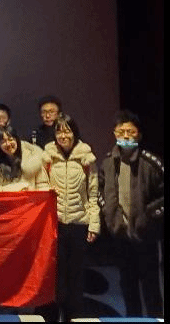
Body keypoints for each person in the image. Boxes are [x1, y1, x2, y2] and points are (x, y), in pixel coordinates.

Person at [99, 110, 164, 318]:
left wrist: (149, 216)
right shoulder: (108, 163)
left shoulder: (152, 162)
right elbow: (99, 191)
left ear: (139, 135)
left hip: (146, 235)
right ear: (114, 133)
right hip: (121, 235)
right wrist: (108, 213)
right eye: (121, 132)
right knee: (127, 286)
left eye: (131, 132)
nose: (126, 136)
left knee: (151, 287)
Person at [42, 113, 99, 321]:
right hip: (55, 225)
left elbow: (93, 193)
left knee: (76, 276)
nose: (63, 135)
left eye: (67, 131)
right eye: (59, 131)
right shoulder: (48, 157)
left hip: (78, 224)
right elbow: (41, 186)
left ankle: (72, 317)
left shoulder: (87, 159)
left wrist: (94, 224)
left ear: (74, 132)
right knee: (56, 276)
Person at [0, 124, 49, 191]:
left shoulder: (33, 159)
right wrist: (21, 186)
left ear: (17, 140)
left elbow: (43, 185)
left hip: (30, 197)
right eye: (3, 142)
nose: (8, 144)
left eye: (10, 139)